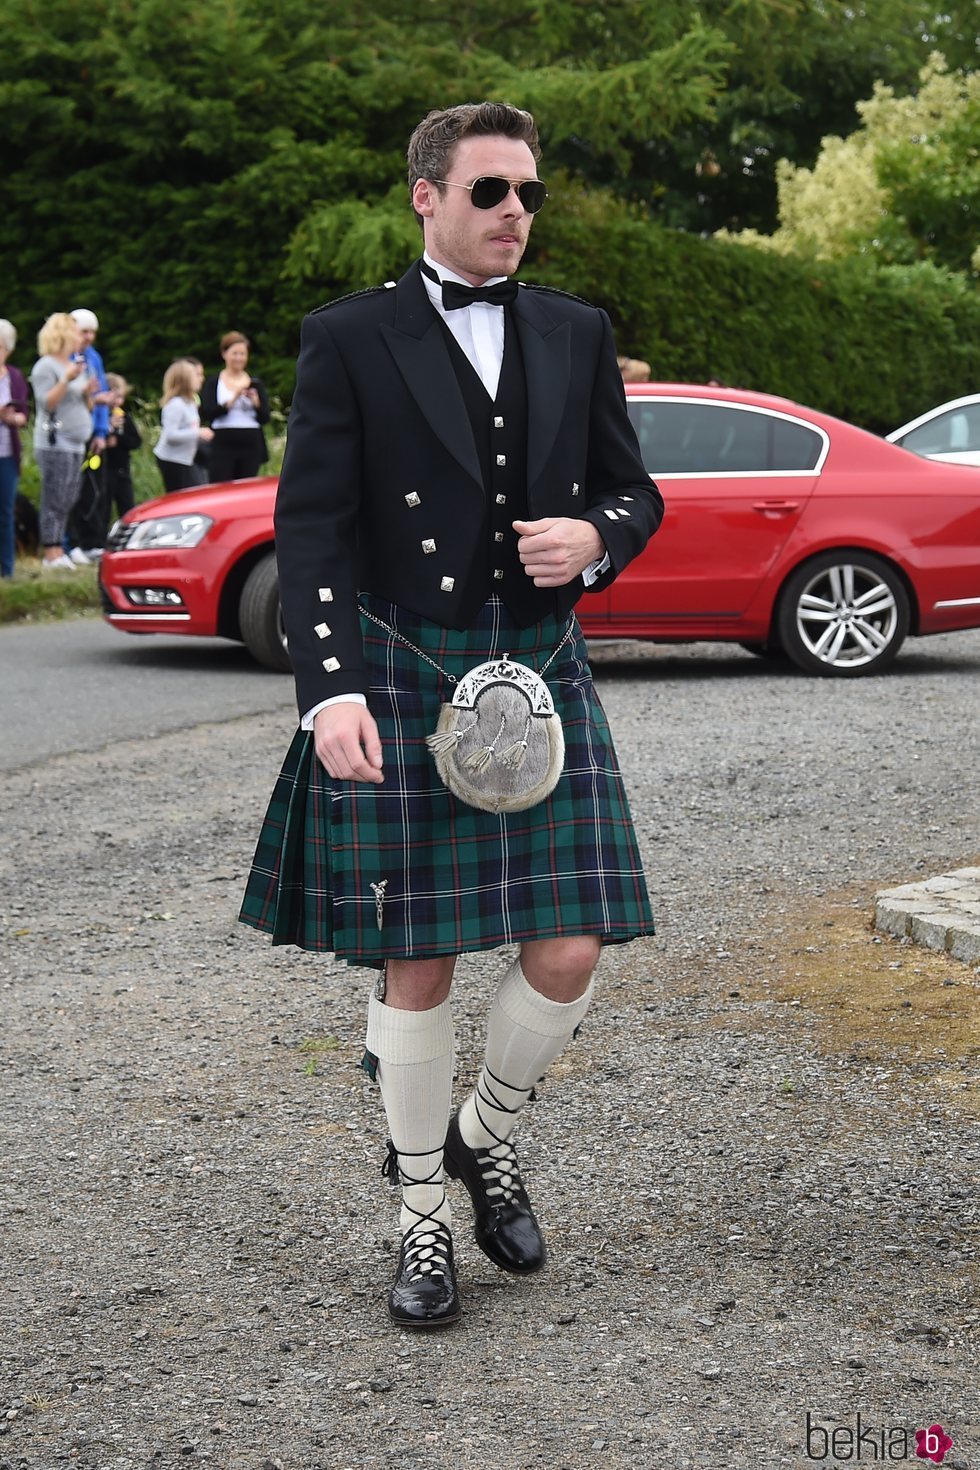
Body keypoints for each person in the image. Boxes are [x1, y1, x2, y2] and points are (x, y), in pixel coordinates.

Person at [240, 100, 665, 1329]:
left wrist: (594, 541)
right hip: (405, 665)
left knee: (572, 943)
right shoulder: (348, 337)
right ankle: (422, 1214)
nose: (514, 213)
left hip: (536, 667)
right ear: (425, 197)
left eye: (526, 191)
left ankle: (484, 1134)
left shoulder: (576, 332)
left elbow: (629, 493)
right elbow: (310, 524)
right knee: (417, 956)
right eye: (489, 191)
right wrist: (327, 687)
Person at [29, 313, 94, 570]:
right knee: (54, 497)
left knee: (69, 496)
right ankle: (51, 552)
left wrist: (87, 392)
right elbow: (46, 402)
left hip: (76, 441)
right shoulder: (46, 366)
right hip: (55, 440)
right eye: (77, 332)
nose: (81, 338)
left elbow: (84, 404)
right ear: (63, 334)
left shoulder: (73, 364)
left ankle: (60, 547)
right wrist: (67, 380)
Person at [67, 307, 113, 561]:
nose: (89, 337)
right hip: (72, 432)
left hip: (92, 432)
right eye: (85, 332)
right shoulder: (66, 358)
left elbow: (101, 394)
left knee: (94, 488)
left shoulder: (94, 357)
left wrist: (101, 432)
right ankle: (72, 541)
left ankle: (92, 540)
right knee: (72, 488)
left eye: (93, 333)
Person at [201, 332, 271, 482]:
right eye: (235, 353)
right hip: (223, 442)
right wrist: (232, 400)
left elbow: (265, 417)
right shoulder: (214, 382)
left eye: (242, 354)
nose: (239, 358)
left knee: (246, 487)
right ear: (224, 354)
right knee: (220, 486)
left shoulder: (255, 383)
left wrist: (256, 402)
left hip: (251, 442)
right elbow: (207, 413)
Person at [153, 359, 213, 492]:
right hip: (172, 460)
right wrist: (198, 432)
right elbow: (171, 435)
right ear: (184, 380)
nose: (200, 379)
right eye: (195, 376)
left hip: (185, 459)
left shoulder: (191, 402)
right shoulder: (175, 405)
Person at [0, 319, 30, 579]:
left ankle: (7, 570)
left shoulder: (15, 376)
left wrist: (14, 418)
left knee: (6, 511)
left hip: (8, 453)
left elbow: (24, 414)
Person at [104, 372, 142, 523]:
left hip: (122, 469)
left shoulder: (125, 418)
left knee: (127, 506)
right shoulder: (100, 417)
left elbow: (136, 441)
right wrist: (109, 429)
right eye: (115, 397)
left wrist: (118, 438)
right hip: (105, 469)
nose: (118, 402)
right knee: (104, 507)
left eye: (121, 397)